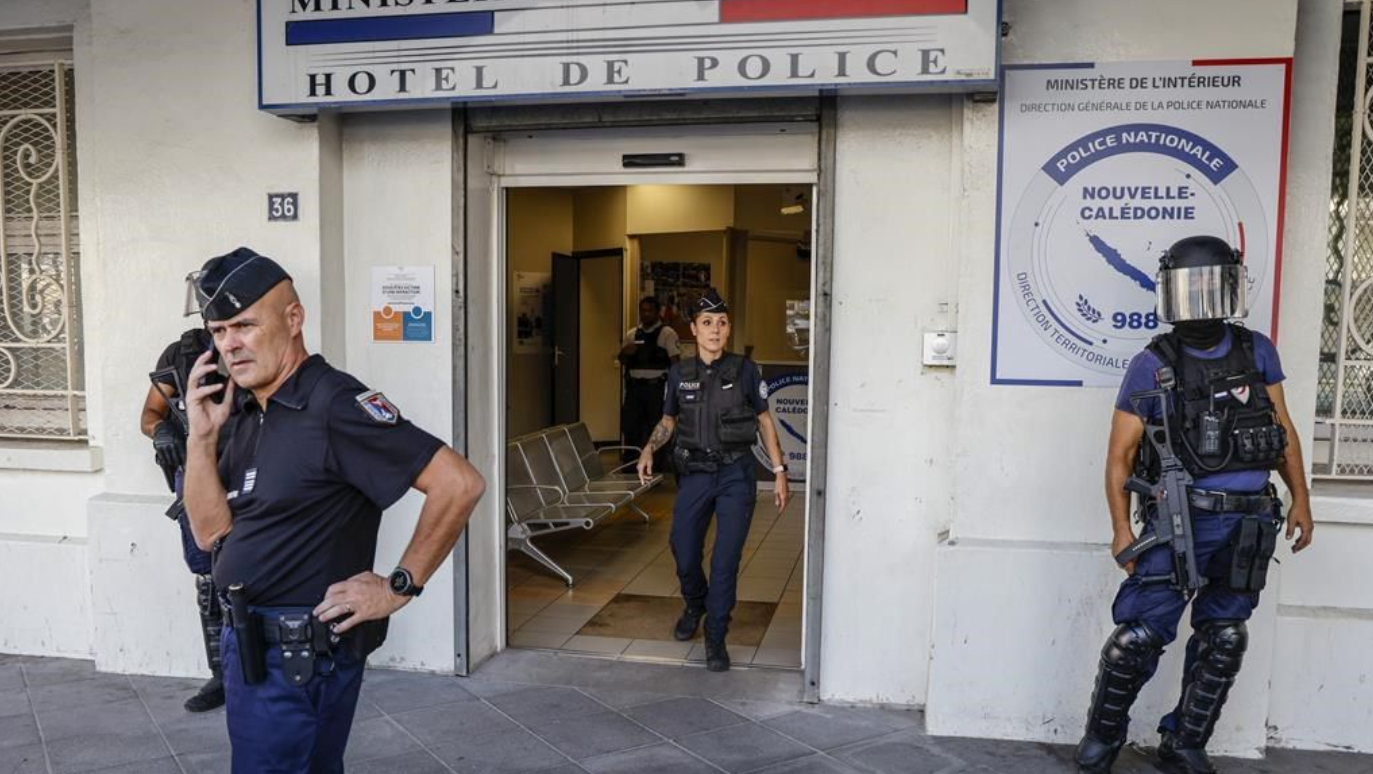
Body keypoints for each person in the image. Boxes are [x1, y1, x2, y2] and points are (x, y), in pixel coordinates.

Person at [181, 247, 486, 773]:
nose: (230, 344)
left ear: (293, 319)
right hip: (251, 647)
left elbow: (459, 483)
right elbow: (210, 535)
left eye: (245, 325)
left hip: (299, 655)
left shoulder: (334, 403)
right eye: (219, 330)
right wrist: (202, 437)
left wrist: (398, 587)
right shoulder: (248, 411)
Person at [1073, 236, 1314, 774]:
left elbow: (1284, 430)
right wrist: (1119, 530)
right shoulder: (1152, 365)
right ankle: (1102, 738)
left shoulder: (1257, 351)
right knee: (1138, 638)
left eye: (1213, 286)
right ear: (1172, 295)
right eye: (1191, 288)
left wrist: (1301, 498)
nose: (1202, 300)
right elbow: (1120, 456)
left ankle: (1184, 741)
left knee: (1224, 637)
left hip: (1250, 518)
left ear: (1230, 288)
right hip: (1180, 520)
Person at [637, 289, 790, 672]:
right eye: (707, 323)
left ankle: (716, 636)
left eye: (721, 323)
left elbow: (765, 421)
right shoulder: (679, 374)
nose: (715, 330)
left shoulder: (745, 370)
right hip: (694, 475)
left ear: (728, 328)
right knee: (683, 548)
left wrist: (779, 471)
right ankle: (694, 603)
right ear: (693, 329)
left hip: (736, 474)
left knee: (725, 560)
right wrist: (648, 449)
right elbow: (669, 421)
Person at [140, 326, 226, 713]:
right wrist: (160, 432)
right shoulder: (183, 354)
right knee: (207, 576)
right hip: (196, 478)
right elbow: (150, 414)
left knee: (258, 571)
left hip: (251, 473)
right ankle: (222, 675)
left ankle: (258, 671)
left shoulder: (267, 348)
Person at [619, 296, 680, 462]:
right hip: (634, 388)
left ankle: (657, 464)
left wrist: (675, 391)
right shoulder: (632, 334)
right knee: (631, 426)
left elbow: (675, 363)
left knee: (656, 427)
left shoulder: (667, 333)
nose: (645, 314)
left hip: (656, 388)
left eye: (649, 311)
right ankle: (631, 462)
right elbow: (622, 360)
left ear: (657, 312)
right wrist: (626, 353)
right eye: (642, 311)